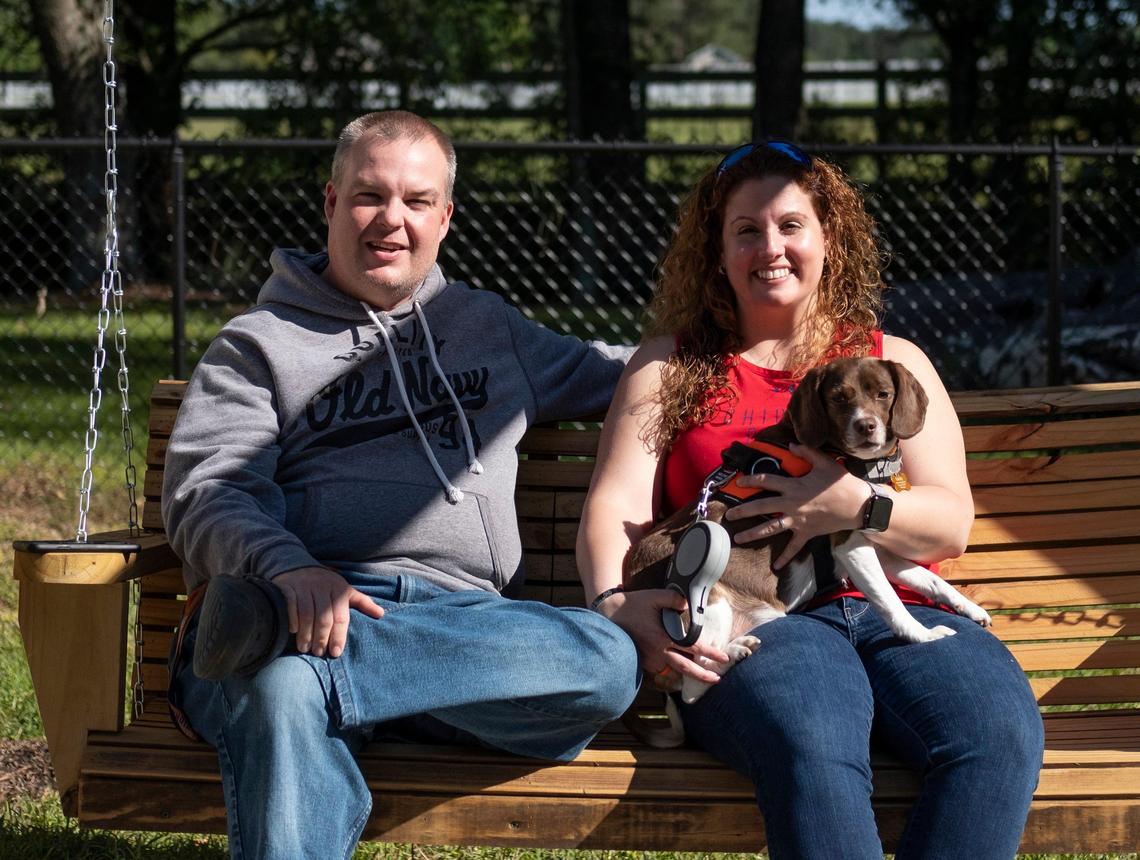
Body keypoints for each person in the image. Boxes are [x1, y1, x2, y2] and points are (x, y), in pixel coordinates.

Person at [162, 110, 641, 860]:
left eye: (417, 201)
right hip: (312, 599)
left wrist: (766, 353)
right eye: (368, 196)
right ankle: (299, 651)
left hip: (459, 639)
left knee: (605, 662)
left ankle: (315, 657)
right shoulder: (258, 346)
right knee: (281, 694)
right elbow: (209, 489)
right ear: (329, 203)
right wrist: (288, 570)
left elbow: (630, 377)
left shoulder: (487, 326)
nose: (392, 220)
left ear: (445, 217)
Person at [576, 141, 1044, 859]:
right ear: (717, 248)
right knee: (814, 741)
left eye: (791, 225)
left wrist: (853, 504)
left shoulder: (893, 360)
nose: (772, 247)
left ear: (829, 237)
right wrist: (616, 602)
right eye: (747, 229)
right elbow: (618, 507)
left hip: (897, 607)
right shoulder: (670, 366)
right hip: (760, 616)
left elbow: (951, 522)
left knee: (996, 736)